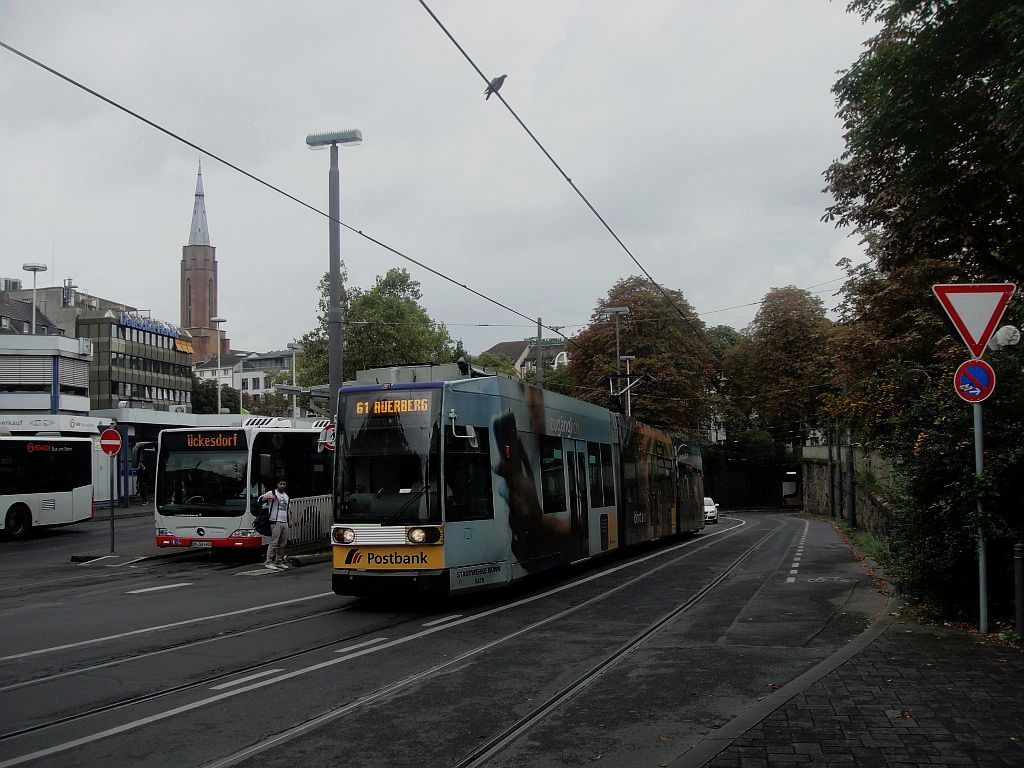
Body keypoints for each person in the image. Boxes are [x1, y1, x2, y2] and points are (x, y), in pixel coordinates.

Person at [260, 478, 291, 570]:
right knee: (274, 541)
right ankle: (268, 561)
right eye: (281, 484)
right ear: (277, 485)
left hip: (284, 521)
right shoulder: (272, 493)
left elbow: (289, 509)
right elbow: (260, 499)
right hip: (275, 520)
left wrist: (290, 521)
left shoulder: (286, 496)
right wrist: (267, 498)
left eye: (284, 484)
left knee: (283, 543)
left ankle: (278, 561)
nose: (282, 486)